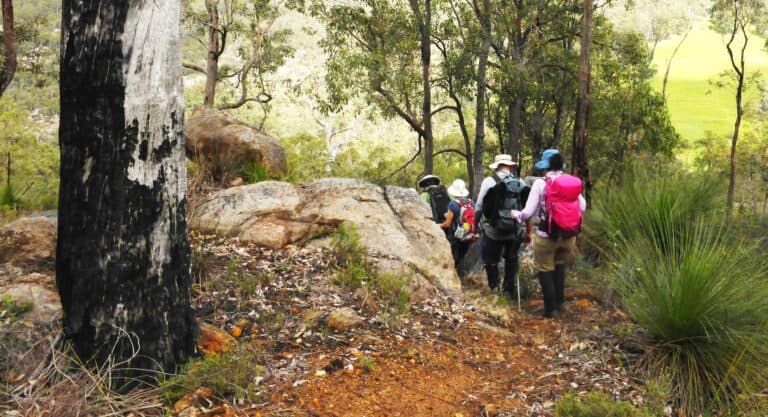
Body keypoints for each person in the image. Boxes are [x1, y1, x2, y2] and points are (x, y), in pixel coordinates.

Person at [512, 149, 587, 318]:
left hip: (547, 236)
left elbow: (529, 212)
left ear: (544, 166)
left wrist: (517, 215)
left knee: (545, 269)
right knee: (559, 265)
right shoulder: (572, 184)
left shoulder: (541, 183)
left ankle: (549, 311)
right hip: (569, 236)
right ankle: (560, 305)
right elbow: (582, 207)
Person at [474, 154, 531, 299]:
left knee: (491, 261)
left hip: (493, 230)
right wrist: (528, 231)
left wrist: (475, 223)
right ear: (510, 166)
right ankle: (509, 291)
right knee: (511, 259)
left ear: (497, 166)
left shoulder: (489, 181)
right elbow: (527, 209)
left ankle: (494, 291)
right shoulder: (520, 182)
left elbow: (480, 205)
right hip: (514, 229)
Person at [439, 179, 476, 267]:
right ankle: (463, 272)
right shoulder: (471, 202)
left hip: (457, 235)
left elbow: (447, 224)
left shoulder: (452, 204)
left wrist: (439, 225)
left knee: (455, 256)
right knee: (464, 255)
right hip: (470, 233)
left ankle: (455, 271)